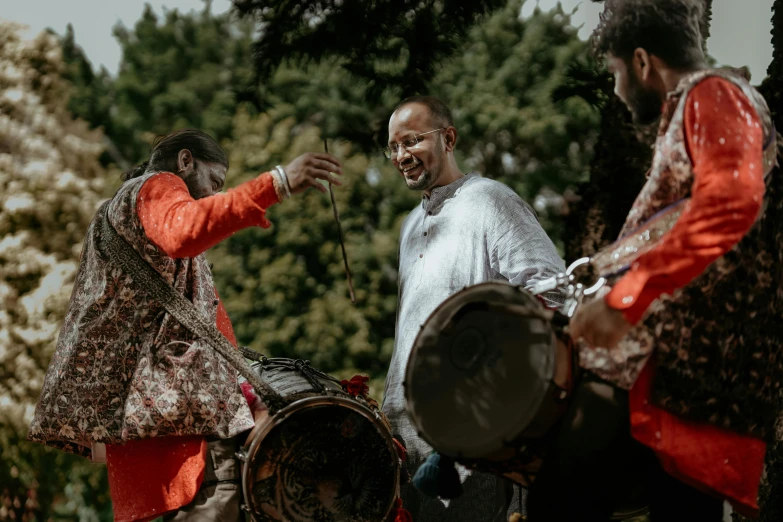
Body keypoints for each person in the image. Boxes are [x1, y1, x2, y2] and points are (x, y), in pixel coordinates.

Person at [529, 0, 783, 520]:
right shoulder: (711, 104)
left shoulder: (714, 94)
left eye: (616, 72)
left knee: (558, 500)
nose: (617, 91)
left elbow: (732, 202)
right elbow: (696, 214)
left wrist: (624, 299)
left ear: (642, 62)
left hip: (657, 368)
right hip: (680, 383)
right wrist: (604, 269)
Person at [27, 129, 343, 521]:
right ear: (185, 161)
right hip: (185, 420)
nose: (213, 195)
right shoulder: (157, 188)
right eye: (214, 182)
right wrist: (275, 184)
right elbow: (185, 231)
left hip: (163, 419)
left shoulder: (122, 208)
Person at [381, 95, 566, 521]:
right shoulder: (411, 224)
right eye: (392, 147)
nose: (400, 156)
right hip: (407, 433)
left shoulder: (490, 200)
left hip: (471, 433)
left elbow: (551, 294)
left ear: (448, 138)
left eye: (411, 141)